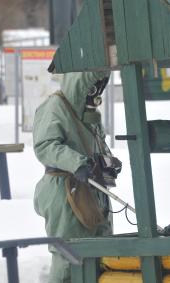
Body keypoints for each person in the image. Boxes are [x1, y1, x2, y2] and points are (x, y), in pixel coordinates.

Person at [32, 71, 121, 283]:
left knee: (100, 253)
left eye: (100, 87)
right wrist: (77, 163)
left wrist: (107, 162)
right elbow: (46, 145)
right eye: (93, 87)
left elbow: (97, 143)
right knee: (69, 255)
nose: (97, 92)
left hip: (91, 189)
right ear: (81, 84)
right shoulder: (55, 106)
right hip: (64, 191)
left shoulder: (87, 112)